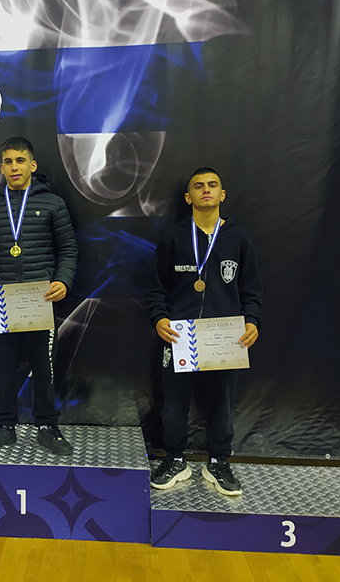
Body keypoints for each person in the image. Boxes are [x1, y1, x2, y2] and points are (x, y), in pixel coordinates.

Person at [144, 167, 262, 496]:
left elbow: (252, 290)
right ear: (188, 197)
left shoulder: (238, 238)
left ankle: (218, 462)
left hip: (225, 337)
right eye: (198, 186)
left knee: (222, 403)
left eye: (212, 185)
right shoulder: (174, 237)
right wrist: (160, 319)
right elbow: (155, 289)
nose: (205, 190)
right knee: (174, 403)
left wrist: (252, 321)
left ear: (222, 194)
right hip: (180, 336)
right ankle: (175, 459)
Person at [0, 137, 78, 455]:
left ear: (33, 165)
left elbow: (68, 249)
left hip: (40, 301)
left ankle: (47, 426)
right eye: (8, 161)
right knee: (3, 367)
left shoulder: (53, 204)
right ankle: (3, 426)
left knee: (44, 368)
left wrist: (63, 280)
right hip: (2, 303)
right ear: (1, 168)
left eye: (20, 160)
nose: (14, 167)